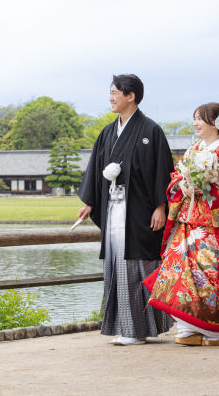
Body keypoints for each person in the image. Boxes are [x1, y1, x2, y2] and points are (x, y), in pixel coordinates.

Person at [143, 103, 219, 346]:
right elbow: (176, 175)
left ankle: (215, 331)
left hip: (215, 225)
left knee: (213, 276)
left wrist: (210, 187)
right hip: (188, 222)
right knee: (181, 272)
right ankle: (187, 327)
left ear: (216, 123)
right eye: (194, 118)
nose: (195, 123)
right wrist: (182, 185)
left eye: (200, 119)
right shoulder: (195, 149)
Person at [77, 74, 174, 345]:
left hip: (140, 212)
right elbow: (96, 171)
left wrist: (160, 206)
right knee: (117, 267)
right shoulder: (108, 132)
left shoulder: (150, 131)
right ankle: (127, 327)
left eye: (114, 92)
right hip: (113, 208)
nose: (110, 97)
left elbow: (162, 172)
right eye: (110, 92)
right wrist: (90, 202)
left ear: (130, 96)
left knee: (137, 267)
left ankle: (137, 330)